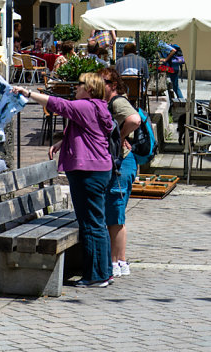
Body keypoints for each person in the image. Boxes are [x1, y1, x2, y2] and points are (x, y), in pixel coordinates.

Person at [12, 73, 114, 287]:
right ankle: (104, 271)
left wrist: (28, 93)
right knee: (97, 222)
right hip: (98, 169)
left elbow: (58, 104)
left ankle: (96, 275)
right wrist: (63, 142)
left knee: (91, 224)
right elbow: (85, 129)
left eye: (80, 84)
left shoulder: (85, 106)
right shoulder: (98, 106)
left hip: (87, 172)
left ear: (90, 89)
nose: (75, 87)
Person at [101, 68, 141, 279]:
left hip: (121, 164)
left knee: (116, 215)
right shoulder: (108, 103)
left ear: (113, 85)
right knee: (114, 213)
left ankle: (119, 261)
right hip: (120, 163)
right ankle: (116, 260)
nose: (99, 85)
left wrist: (120, 136)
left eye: (104, 82)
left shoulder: (117, 102)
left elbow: (134, 120)